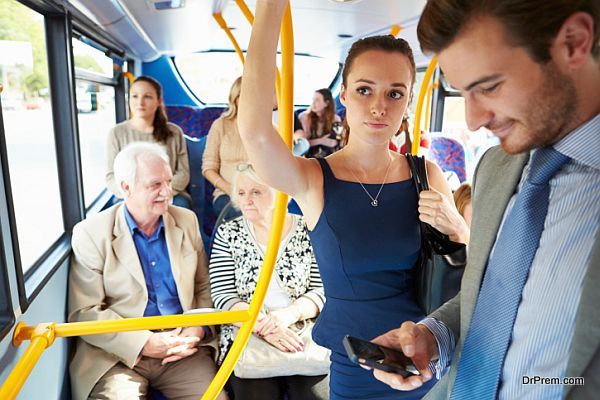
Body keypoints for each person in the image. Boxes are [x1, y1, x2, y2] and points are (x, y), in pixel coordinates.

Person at [237, 1, 466, 398]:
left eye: (395, 93)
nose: (379, 106)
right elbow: (256, 132)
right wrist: (271, 7)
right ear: (343, 95)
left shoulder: (425, 175)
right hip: (358, 364)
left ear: (408, 101)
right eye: (365, 90)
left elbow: (467, 271)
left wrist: (460, 229)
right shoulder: (313, 178)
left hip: (425, 355)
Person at [371, 1, 599, 399]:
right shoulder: (496, 167)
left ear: (574, 43)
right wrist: (434, 335)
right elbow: (494, 292)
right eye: (462, 92)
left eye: (489, 86)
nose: (474, 119)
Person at [68, 142, 227, 400]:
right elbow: (84, 312)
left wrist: (196, 328)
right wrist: (143, 343)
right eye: (155, 185)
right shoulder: (91, 233)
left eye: (168, 181)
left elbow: (204, 287)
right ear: (125, 188)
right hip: (117, 355)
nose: (168, 192)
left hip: (183, 348)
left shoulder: (186, 221)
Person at [208, 163, 328, 400]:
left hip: (300, 327)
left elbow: (321, 288)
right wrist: (264, 327)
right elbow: (223, 296)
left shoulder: (308, 229)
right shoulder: (228, 233)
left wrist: (288, 315)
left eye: (256, 192)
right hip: (247, 329)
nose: (247, 200)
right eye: (241, 193)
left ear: (279, 194)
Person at [106, 75, 191, 208]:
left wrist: (160, 193)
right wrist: (138, 196)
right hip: (131, 196)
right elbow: (111, 176)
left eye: (147, 96)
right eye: (134, 96)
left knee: (181, 207)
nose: (140, 102)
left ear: (158, 101)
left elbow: (183, 174)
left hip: (170, 193)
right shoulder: (117, 133)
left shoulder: (174, 132)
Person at [202, 77, 248, 220]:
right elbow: (208, 168)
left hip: (259, 193)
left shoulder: (270, 129)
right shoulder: (220, 125)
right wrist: (231, 190)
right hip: (226, 194)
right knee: (240, 215)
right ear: (236, 99)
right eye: (246, 95)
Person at [296, 88, 343, 158]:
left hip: (329, 156)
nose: (313, 103)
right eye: (313, 100)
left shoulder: (335, 119)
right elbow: (302, 145)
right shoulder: (305, 117)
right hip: (308, 157)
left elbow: (340, 139)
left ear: (326, 103)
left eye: (317, 100)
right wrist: (321, 141)